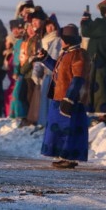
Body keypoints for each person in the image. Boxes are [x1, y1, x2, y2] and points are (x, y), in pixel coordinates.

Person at [38, 24, 90, 169]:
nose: (60, 42)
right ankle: (62, 155)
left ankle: (70, 157)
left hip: (70, 100)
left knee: (69, 130)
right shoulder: (66, 53)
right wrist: (46, 58)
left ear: (68, 40)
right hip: (59, 97)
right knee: (58, 130)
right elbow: (58, 70)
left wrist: (69, 99)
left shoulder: (79, 55)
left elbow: (78, 78)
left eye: (62, 39)